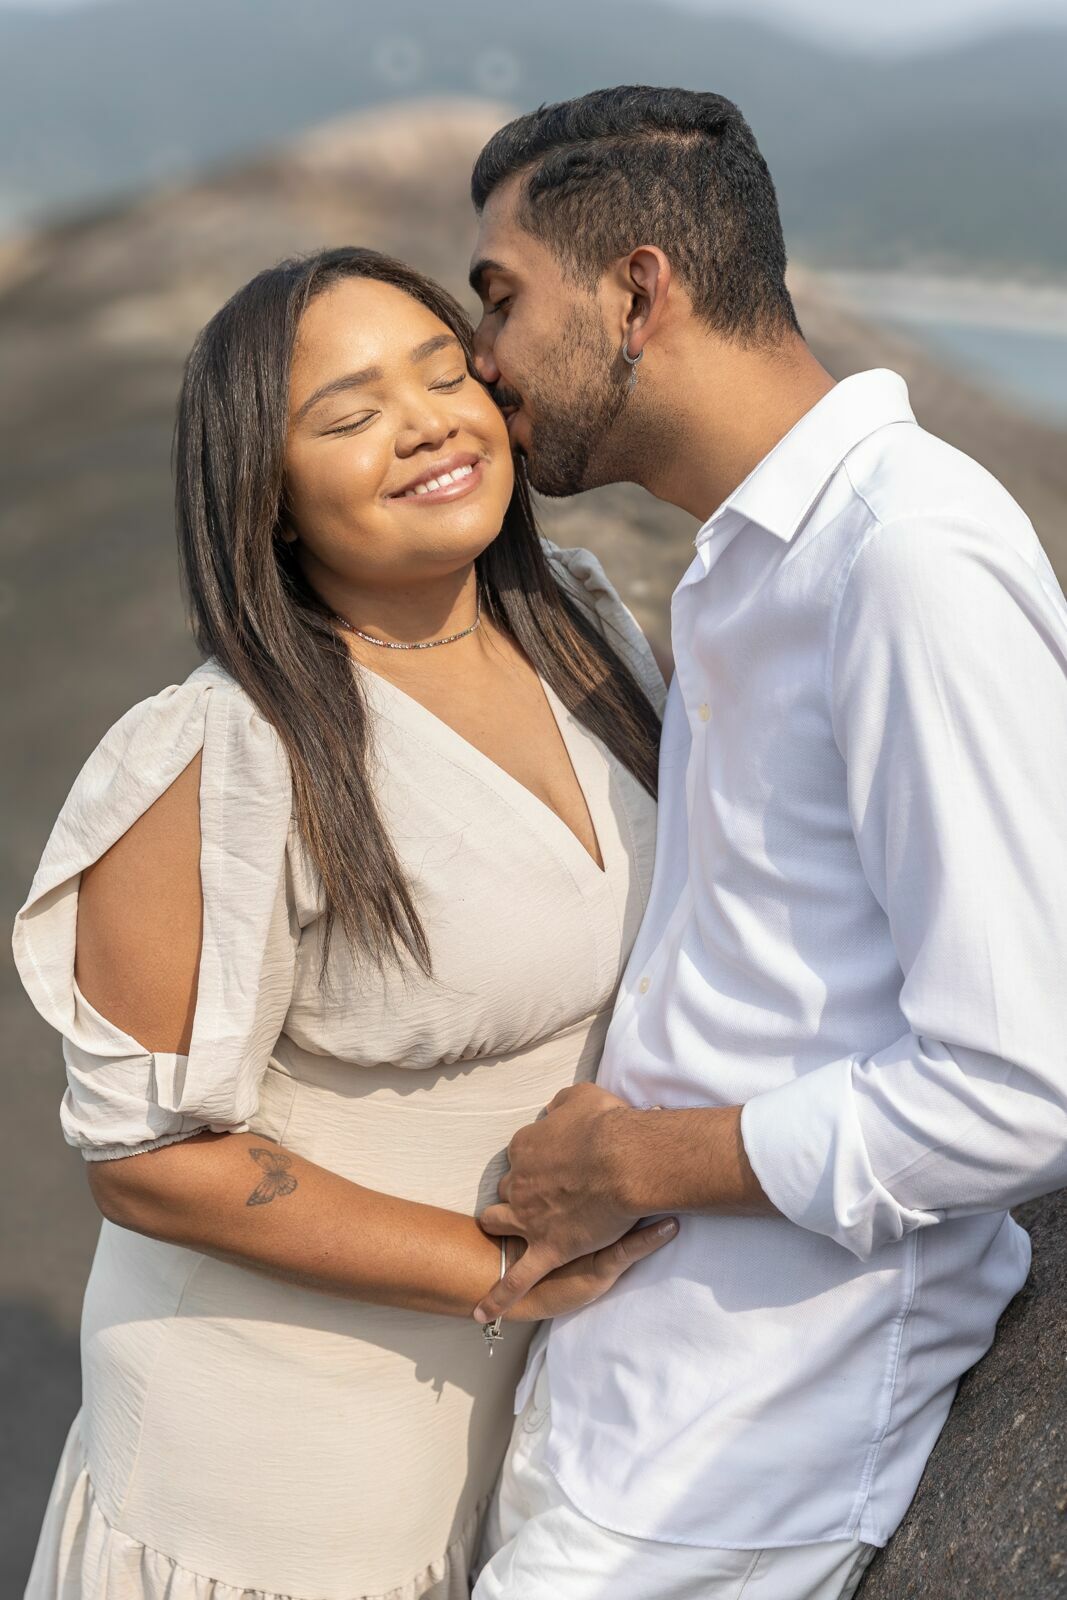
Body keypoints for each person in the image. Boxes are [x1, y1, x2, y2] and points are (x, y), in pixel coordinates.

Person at [465, 87, 1067, 1600]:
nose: (479, 362)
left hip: (745, 1459)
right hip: (625, 1403)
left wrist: (627, 1159)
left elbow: (1021, 1087)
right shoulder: (748, 567)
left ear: (639, 289)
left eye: (499, 297)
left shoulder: (908, 551)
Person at [11, 245, 675, 1600]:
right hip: (280, 1461)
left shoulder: (581, 628)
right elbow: (146, 1157)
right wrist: (496, 1271)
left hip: (533, 1402)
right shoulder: (221, 753)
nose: (428, 420)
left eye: (445, 373)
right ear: (270, 496)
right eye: (350, 412)